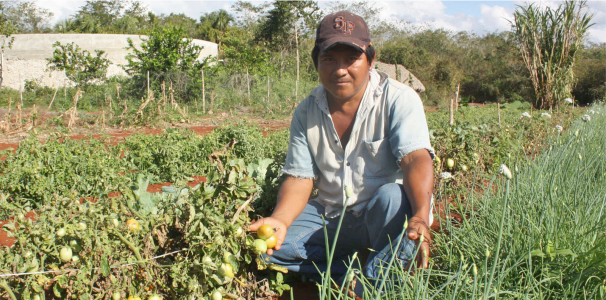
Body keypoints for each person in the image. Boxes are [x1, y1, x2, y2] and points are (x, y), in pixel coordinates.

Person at [249, 10, 435, 297]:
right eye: (329, 59)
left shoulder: (398, 98)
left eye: (352, 59)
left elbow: (415, 158)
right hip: (333, 215)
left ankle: (371, 285)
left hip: (384, 217)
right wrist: (281, 220)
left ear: (371, 60)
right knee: (270, 252)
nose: (340, 69)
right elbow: (299, 178)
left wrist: (421, 214)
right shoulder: (307, 110)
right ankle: (352, 270)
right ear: (316, 62)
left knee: (393, 197)